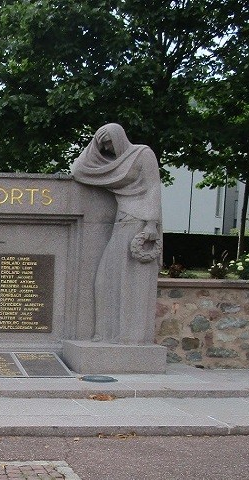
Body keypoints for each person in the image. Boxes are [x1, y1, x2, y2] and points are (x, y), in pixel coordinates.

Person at [71, 123, 162, 344]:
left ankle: (128, 335)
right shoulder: (113, 165)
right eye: (102, 146)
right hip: (121, 222)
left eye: (108, 143)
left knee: (130, 281)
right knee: (104, 279)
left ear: (119, 137)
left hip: (139, 224)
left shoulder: (143, 154)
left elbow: (153, 187)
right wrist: (95, 143)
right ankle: (105, 331)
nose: (107, 149)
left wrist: (151, 224)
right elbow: (79, 169)